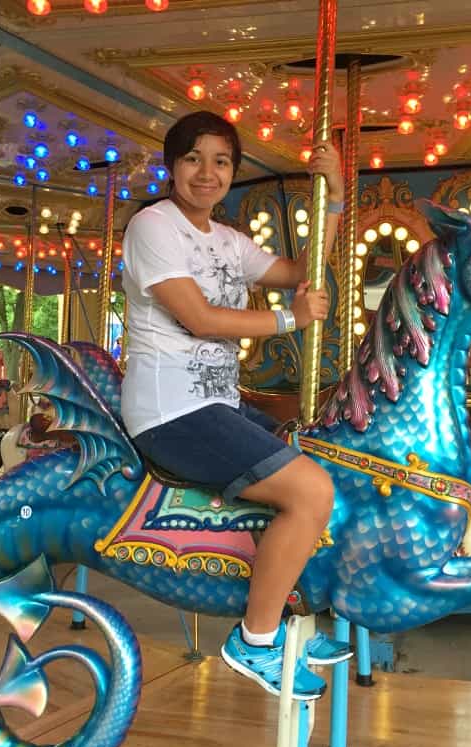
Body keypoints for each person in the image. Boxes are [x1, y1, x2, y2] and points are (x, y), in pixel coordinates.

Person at [121, 111, 350, 700]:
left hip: (218, 402)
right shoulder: (153, 226)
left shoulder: (226, 239)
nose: (207, 173)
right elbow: (197, 317)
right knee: (310, 490)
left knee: (321, 456)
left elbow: (300, 271)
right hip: (171, 410)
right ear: (172, 166)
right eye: (194, 158)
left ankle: (286, 602)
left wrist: (336, 196)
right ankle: (255, 639)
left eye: (221, 161)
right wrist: (286, 319)